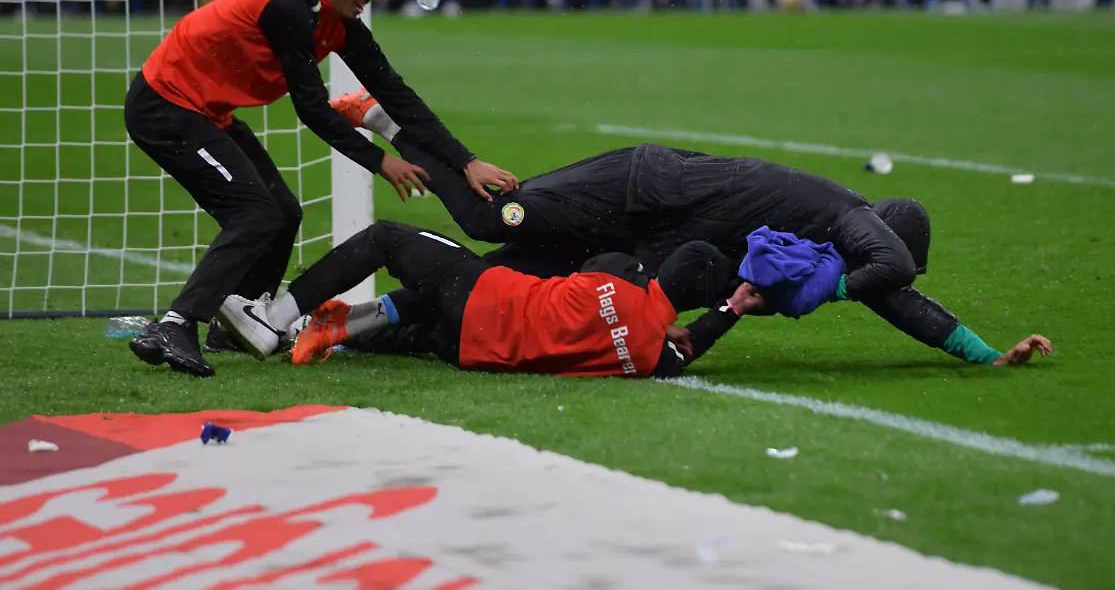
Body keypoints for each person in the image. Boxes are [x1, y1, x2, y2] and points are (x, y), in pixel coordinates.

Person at [326, 90, 1054, 368]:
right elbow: (891, 272)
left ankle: (347, 327)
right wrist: (835, 293)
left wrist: (986, 354)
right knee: (490, 219)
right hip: (636, 186)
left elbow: (895, 296)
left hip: (643, 237)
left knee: (500, 286)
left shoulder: (836, 240)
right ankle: (386, 121)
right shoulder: (856, 221)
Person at [124, 0, 518, 378]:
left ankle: (237, 322)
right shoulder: (289, 8)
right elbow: (312, 109)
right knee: (256, 214)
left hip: (206, 111)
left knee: (283, 212)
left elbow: (397, 95)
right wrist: (380, 160)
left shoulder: (341, 22)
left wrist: (464, 161)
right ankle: (175, 324)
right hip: (165, 106)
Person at [222, 220, 765, 377]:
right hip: (478, 353)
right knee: (426, 301)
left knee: (389, 239)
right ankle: (341, 328)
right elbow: (688, 346)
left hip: (481, 298)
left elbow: (595, 264)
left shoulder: (623, 278)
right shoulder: (652, 358)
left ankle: (276, 318)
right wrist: (733, 308)